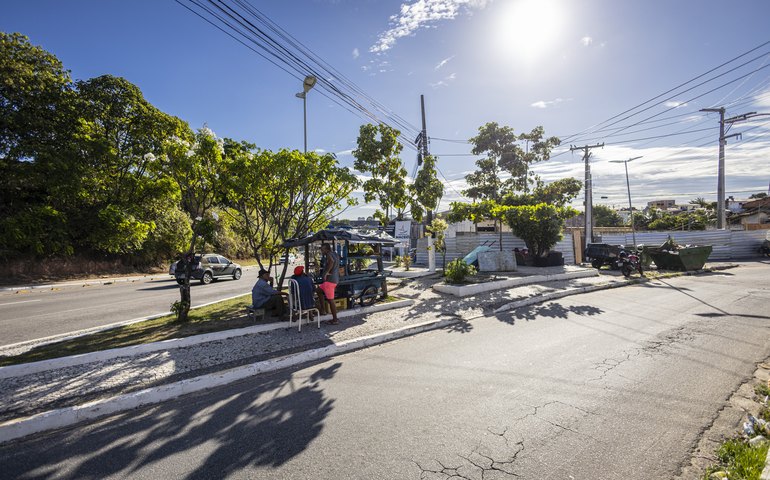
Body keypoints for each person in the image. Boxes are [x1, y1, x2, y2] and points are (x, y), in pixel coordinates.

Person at [317, 243, 340, 325]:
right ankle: (323, 310)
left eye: (322, 249)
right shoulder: (335, 254)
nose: (321, 251)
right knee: (318, 290)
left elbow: (331, 262)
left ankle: (335, 319)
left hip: (329, 281)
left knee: (331, 301)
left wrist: (326, 272)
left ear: (326, 249)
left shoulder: (329, 254)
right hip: (334, 279)